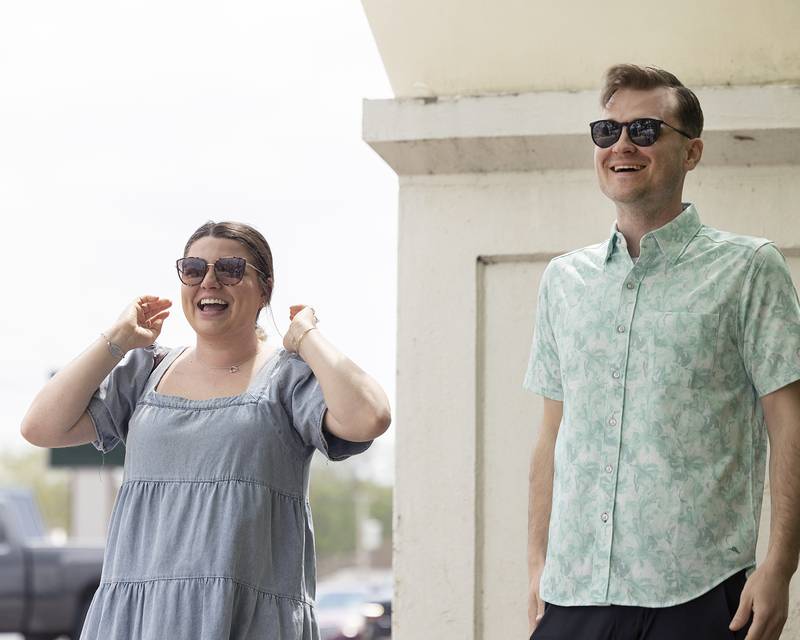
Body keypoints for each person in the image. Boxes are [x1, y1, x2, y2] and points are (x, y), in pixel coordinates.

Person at [523, 65, 800, 640]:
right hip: (573, 593)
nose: (622, 144)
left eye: (645, 130)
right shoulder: (562, 281)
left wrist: (779, 567)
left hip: (700, 593)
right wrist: (536, 568)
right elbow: (553, 436)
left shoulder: (749, 270)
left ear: (691, 152)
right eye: (607, 131)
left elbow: (790, 427)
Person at [21, 220, 391, 639]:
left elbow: (370, 416)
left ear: (265, 288)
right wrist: (118, 340)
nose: (209, 281)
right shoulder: (147, 372)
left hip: (245, 621)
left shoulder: (287, 380)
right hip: (137, 620)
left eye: (231, 269)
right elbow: (40, 426)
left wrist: (307, 337)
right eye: (193, 269)